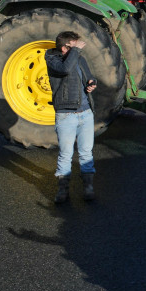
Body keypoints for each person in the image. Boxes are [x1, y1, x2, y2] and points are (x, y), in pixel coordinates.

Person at [45, 31, 98, 204]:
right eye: (74, 46)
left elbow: (89, 76)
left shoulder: (79, 58)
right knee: (66, 154)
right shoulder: (53, 61)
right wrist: (75, 51)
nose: (78, 48)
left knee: (86, 153)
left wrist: (91, 83)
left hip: (85, 113)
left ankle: (88, 189)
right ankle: (62, 191)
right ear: (64, 47)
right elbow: (65, 69)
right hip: (66, 115)